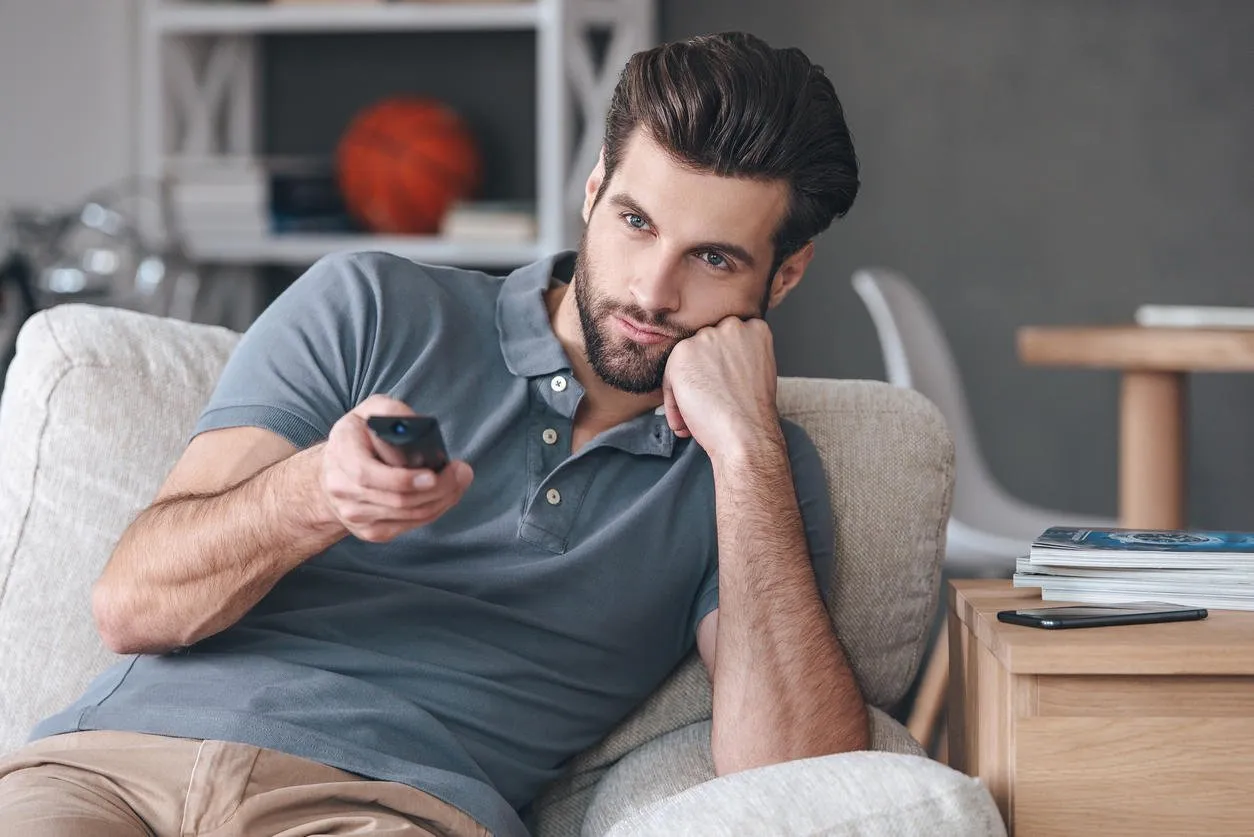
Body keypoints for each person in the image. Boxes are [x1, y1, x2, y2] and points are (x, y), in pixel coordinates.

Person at [0, 31, 867, 837]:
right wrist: (316, 495)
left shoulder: (759, 473)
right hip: (109, 766)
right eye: (636, 222)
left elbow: (795, 784)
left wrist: (746, 450)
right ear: (594, 190)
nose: (651, 290)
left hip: (384, 808)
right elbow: (129, 607)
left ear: (784, 275)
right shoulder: (371, 306)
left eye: (713, 258)